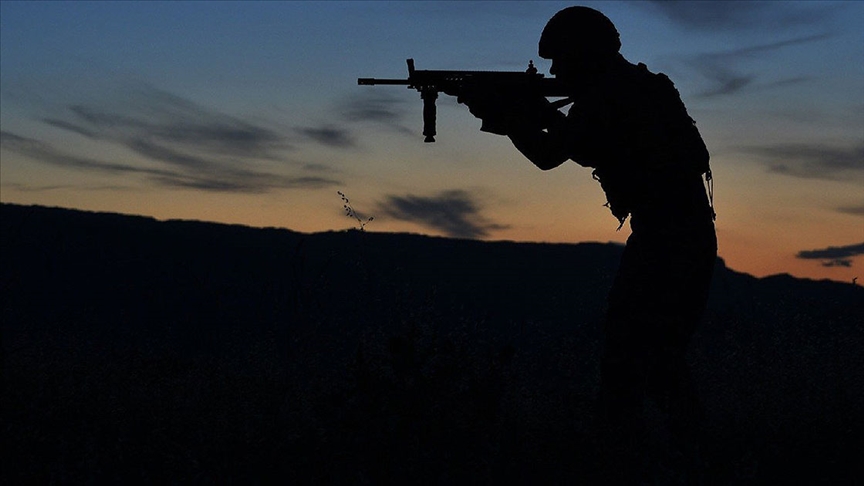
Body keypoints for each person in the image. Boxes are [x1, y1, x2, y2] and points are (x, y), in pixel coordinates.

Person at [458, 6, 718, 482]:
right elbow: (577, 143)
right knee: (654, 357)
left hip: (669, 236)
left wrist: (503, 115)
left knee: (632, 354)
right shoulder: (633, 88)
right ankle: (687, 455)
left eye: (560, 60)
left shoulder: (611, 97)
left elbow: (549, 154)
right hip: (681, 233)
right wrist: (517, 113)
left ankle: (635, 458)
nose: (555, 72)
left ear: (585, 55)